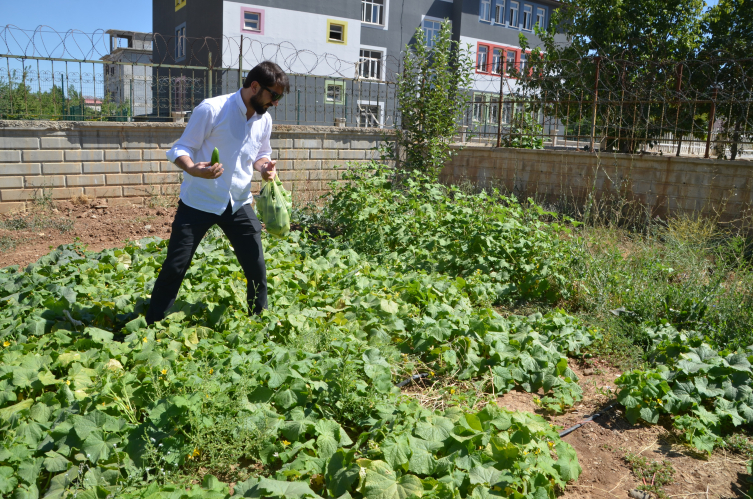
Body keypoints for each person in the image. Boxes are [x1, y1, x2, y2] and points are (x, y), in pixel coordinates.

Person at [145, 60, 289, 325]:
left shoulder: (263, 119)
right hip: (199, 200)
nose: (276, 103)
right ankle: (153, 321)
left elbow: (260, 153)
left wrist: (264, 167)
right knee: (176, 265)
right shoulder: (212, 109)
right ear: (255, 86)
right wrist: (193, 169)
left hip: (238, 202)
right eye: (274, 95)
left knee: (256, 266)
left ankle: (258, 320)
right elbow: (180, 149)